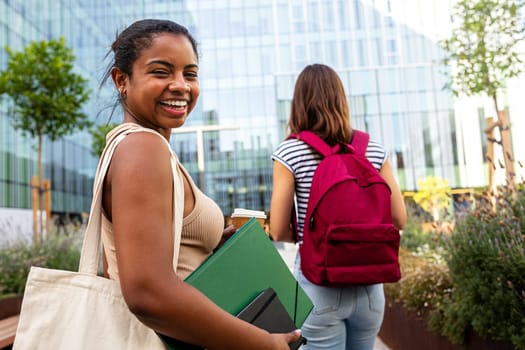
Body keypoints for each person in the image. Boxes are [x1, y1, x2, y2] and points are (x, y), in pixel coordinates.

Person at [98, 19, 302, 349]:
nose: (181, 86)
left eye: (189, 74)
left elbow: (121, 260)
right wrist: (264, 344)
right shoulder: (143, 148)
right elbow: (146, 293)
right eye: (161, 72)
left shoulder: (136, 147)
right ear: (121, 80)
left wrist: (208, 243)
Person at [270, 63, 407, 350]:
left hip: (319, 284)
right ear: (341, 100)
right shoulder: (373, 149)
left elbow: (279, 229)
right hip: (371, 288)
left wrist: (311, 232)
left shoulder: (289, 151)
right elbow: (399, 218)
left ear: (299, 103)